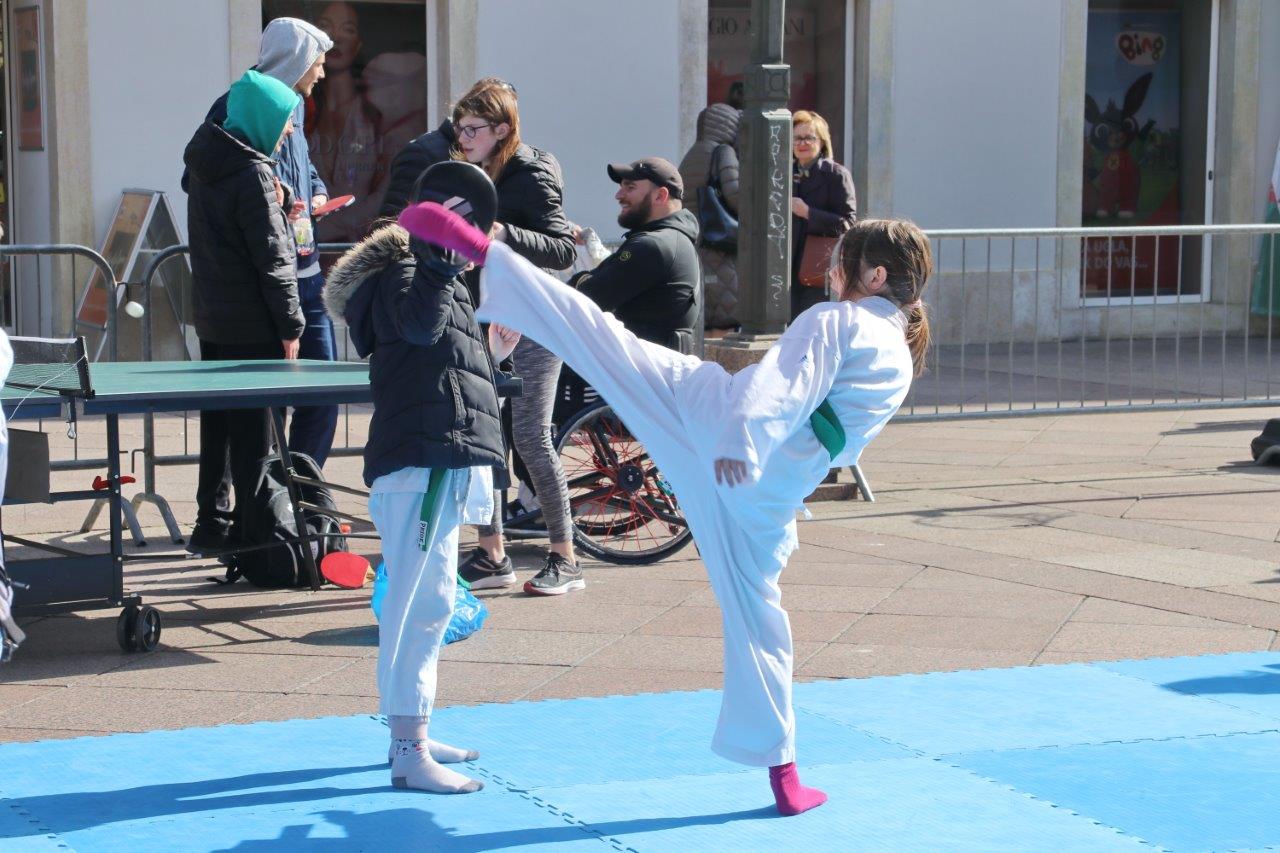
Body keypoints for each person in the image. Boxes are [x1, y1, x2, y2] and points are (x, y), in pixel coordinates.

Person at [399, 201, 932, 816]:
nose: (830, 275)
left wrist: (741, 437)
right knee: (760, 623)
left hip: (718, 426)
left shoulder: (841, 324)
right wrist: (750, 446)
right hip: (764, 499)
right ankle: (783, 772)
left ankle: (484, 251)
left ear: (875, 278)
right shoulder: (899, 355)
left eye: (841, 267)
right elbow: (806, 403)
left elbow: (785, 382)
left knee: (603, 341)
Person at [324, 161, 505, 795]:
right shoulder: (411, 270)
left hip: (433, 459)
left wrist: (497, 353)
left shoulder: (426, 274)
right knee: (420, 607)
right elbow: (418, 327)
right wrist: (439, 260)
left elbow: (440, 361)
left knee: (429, 602)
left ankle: (415, 735)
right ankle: (408, 747)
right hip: (419, 463)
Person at [182, 17, 337, 554]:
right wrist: (287, 322)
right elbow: (267, 253)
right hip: (263, 300)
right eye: (317, 61)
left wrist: (306, 195)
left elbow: (302, 171)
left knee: (302, 404)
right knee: (246, 424)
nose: (321, 73)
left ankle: (289, 501)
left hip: (271, 287)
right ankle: (255, 525)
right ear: (295, 59)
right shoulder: (242, 110)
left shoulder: (280, 111)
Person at [447, 83, 579, 597]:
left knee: (529, 436)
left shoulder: (531, 172)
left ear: (503, 130)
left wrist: (503, 235)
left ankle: (566, 557)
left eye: (473, 129)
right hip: (491, 317)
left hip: (534, 322)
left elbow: (561, 250)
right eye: (459, 129)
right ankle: (492, 551)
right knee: (486, 439)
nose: (463, 138)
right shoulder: (476, 172)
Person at [379, 77, 517, 220]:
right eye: (465, 127)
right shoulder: (421, 153)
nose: (464, 137)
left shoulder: (507, 161)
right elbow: (390, 225)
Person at [308, 0, 381, 243]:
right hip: (309, 251)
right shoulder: (300, 112)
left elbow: (387, 192)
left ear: (358, 45)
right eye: (326, 27)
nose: (335, 37)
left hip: (360, 251)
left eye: (347, 29)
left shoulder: (376, 116)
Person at [679, 104, 742, 330]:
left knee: (708, 301)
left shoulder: (695, 152)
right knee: (726, 309)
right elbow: (735, 194)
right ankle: (719, 359)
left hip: (699, 236)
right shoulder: (722, 152)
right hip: (720, 240)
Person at [791, 110, 857, 319]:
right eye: (797, 138)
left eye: (809, 137)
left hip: (818, 266)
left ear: (822, 141)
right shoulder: (783, 173)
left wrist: (809, 213)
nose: (802, 143)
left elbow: (848, 223)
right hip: (786, 266)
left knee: (813, 323)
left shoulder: (836, 174)